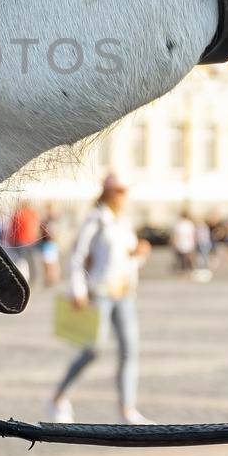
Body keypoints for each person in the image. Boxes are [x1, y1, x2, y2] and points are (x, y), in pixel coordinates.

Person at [49, 175, 151, 425]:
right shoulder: (96, 220)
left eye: (125, 191)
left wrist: (139, 254)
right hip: (100, 292)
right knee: (94, 350)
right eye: (120, 191)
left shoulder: (124, 223)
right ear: (108, 193)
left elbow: (126, 259)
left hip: (124, 293)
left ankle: (127, 409)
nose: (124, 196)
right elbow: (78, 255)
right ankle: (59, 398)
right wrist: (78, 289)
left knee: (130, 350)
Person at [171, 209, 198, 275]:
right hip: (189, 243)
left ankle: (184, 271)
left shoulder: (179, 224)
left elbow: (176, 235)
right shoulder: (190, 223)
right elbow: (194, 234)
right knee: (187, 258)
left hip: (181, 243)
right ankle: (189, 270)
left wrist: (174, 243)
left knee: (182, 258)